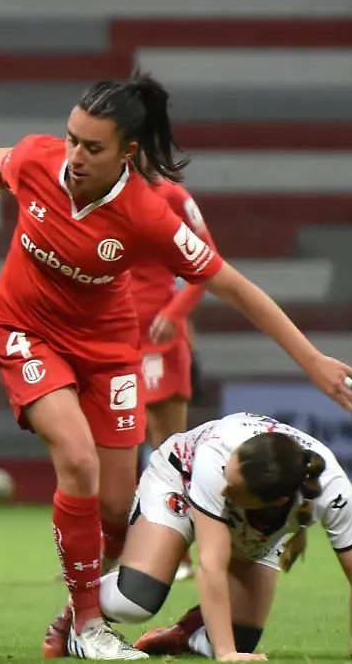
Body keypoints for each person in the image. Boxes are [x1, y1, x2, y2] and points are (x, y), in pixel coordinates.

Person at [0, 71, 352, 660]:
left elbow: (234, 286)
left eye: (92, 146)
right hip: (26, 332)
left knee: (114, 508)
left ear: (127, 152)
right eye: (71, 138)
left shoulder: (147, 215)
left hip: (108, 352)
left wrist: (311, 360)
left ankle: (80, 620)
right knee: (77, 459)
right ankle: (88, 625)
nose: (74, 155)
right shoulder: (40, 159)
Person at [93, 412, 352, 662]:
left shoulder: (333, 490)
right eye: (229, 477)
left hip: (252, 518)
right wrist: (226, 653)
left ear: (277, 501)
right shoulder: (218, 459)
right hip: (179, 478)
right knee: (133, 601)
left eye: (234, 489)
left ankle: (183, 634)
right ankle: (81, 614)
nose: (224, 490)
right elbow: (211, 564)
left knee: (240, 637)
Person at [132, 177, 219, 583]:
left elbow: (208, 262)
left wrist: (175, 312)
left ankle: (178, 555)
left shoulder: (171, 196)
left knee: (169, 451)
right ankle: (108, 552)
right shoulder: (98, 190)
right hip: (113, 336)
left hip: (160, 340)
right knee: (108, 447)